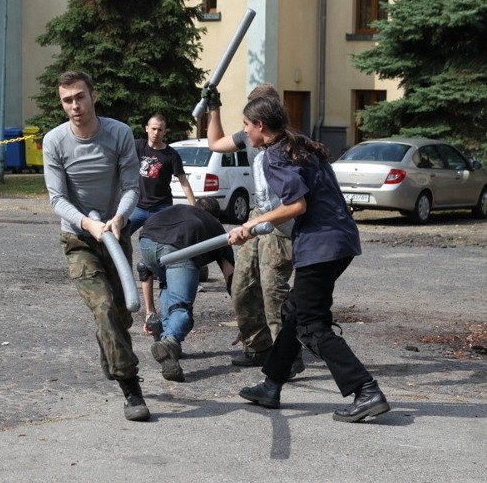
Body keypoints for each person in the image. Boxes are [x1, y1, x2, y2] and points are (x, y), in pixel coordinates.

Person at [229, 92, 390, 422]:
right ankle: (272, 385)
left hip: (321, 246)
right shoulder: (297, 143)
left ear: (261, 125)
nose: (244, 132)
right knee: (294, 312)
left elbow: (297, 204)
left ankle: (366, 390)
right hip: (340, 240)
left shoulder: (274, 156)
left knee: (312, 325)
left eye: (247, 125)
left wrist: (253, 222)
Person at [42, 70, 150, 422]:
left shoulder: (119, 133)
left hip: (115, 235)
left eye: (79, 97)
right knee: (103, 308)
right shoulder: (55, 141)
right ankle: (131, 388)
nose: (74, 105)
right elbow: (57, 198)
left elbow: (132, 186)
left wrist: (117, 219)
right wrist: (88, 223)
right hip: (78, 238)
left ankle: (111, 348)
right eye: (67, 100)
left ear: (93, 96)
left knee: (121, 314)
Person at [206, 84, 301, 374]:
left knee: (273, 289)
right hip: (257, 214)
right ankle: (260, 347)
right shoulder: (248, 136)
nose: (247, 125)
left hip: (282, 221)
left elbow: (298, 198)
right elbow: (215, 143)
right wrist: (214, 109)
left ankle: (288, 355)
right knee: (242, 284)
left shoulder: (289, 143)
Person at [138, 197, 234, 382]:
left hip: (146, 241)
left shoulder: (177, 211)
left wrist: (150, 312)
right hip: (179, 249)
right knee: (181, 308)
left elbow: (144, 270)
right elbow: (231, 277)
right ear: (216, 216)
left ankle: (165, 340)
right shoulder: (213, 224)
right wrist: (245, 322)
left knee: (167, 285)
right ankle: (170, 342)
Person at [128, 113, 196, 333]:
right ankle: (114, 273)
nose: (156, 133)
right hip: (139, 207)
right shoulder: (137, 147)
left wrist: (194, 209)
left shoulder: (170, 155)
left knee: (168, 247)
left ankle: (169, 282)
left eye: (160, 129)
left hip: (161, 209)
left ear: (165, 132)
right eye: (153, 128)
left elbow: (184, 182)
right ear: (146, 128)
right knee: (117, 234)